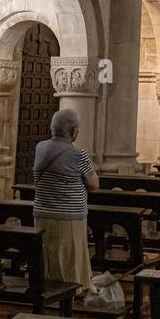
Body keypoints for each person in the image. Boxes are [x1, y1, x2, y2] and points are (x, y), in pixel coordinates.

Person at [32, 108, 99, 293]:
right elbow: (94, 184)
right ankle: (71, 289)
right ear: (74, 132)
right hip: (69, 215)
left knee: (49, 252)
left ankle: (47, 286)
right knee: (70, 254)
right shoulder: (78, 154)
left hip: (42, 212)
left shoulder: (40, 147)